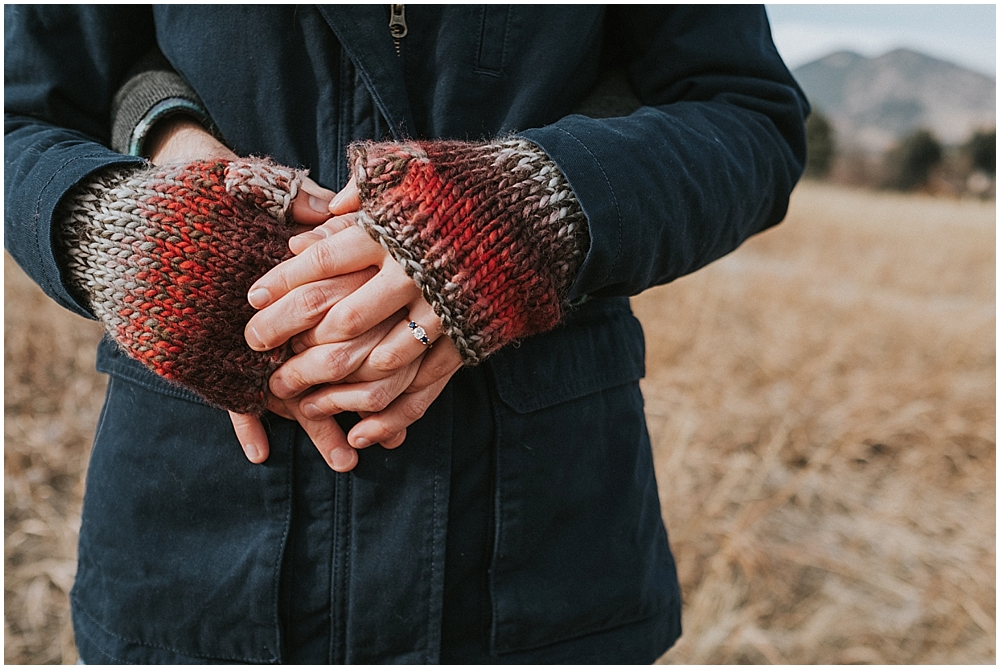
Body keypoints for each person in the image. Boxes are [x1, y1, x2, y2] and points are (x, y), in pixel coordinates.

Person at [4, 5, 808, 664]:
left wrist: (531, 211)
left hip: (544, 558)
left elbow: (746, 114)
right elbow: (24, 113)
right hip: (195, 550)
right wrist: (143, 241)